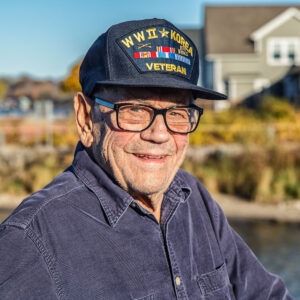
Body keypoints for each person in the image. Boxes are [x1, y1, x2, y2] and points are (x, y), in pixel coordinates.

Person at [0, 18, 292, 299]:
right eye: (135, 109)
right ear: (86, 118)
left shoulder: (192, 198)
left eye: (177, 113)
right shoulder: (29, 242)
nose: (159, 134)